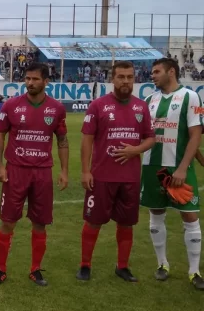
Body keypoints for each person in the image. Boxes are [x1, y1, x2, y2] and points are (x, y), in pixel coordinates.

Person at [77, 61, 156, 281]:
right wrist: (85, 171)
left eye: (130, 77)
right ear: (113, 79)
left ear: (135, 79)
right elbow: (87, 141)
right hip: (102, 176)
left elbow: (151, 137)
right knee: (93, 221)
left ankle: (122, 266)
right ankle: (85, 265)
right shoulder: (98, 105)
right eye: (121, 77)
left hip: (130, 178)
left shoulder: (141, 107)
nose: (126, 81)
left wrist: (136, 150)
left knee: (126, 222)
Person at [0, 62, 69, 287]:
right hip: (15, 171)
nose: (30, 83)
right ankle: (0, 269)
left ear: (46, 82)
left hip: (43, 173)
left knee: (40, 222)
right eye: (27, 79)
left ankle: (35, 269)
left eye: (35, 79)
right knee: (8, 221)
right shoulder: (11, 105)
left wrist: (64, 171)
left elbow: (62, 141)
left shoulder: (56, 109)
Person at [140, 58, 204, 290]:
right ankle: (162, 264)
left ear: (172, 71)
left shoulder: (191, 96)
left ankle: (194, 271)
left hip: (179, 168)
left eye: (157, 71)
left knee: (190, 216)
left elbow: (195, 133)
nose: (152, 75)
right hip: (151, 167)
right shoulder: (148, 100)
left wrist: (183, 167)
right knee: (156, 214)